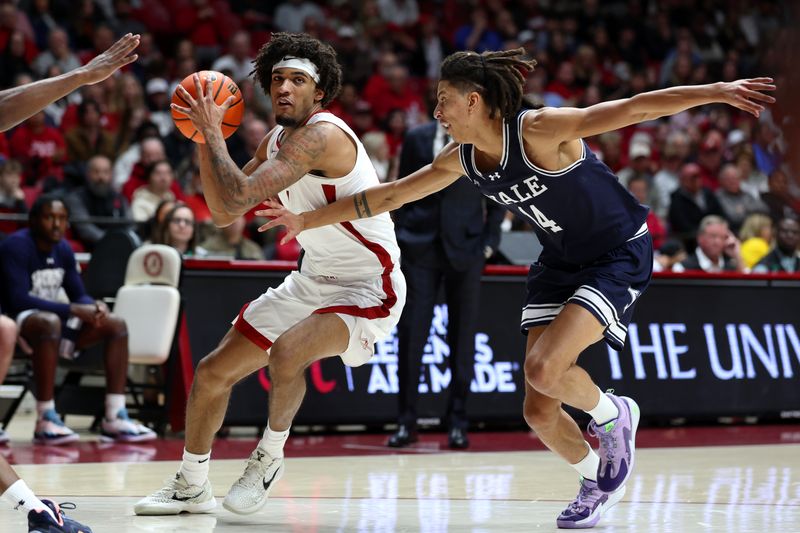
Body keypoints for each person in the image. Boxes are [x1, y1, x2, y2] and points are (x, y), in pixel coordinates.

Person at [256, 48, 775, 529]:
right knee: (537, 409)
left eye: (444, 101)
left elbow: (635, 108)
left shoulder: (540, 129)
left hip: (616, 252)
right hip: (560, 260)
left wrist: (718, 91)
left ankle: (614, 414)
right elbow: (388, 196)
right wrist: (308, 219)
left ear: (473, 100)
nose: (437, 111)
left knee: (546, 367)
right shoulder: (459, 157)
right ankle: (597, 478)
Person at [135, 33, 406, 517]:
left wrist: (215, 131)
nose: (284, 88)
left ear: (319, 94)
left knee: (287, 352)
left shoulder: (322, 135)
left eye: (297, 80)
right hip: (313, 277)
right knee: (212, 372)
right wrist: (203, 138)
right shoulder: (275, 140)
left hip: (370, 283)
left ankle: (268, 457)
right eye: (278, 79)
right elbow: (222, 211)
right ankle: (192, 484)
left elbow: (239, 197)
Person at [0, 31, 140, 533]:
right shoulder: (18, 246)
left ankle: (35, 511)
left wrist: (81, 77)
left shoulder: (59, 251)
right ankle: (36, 509)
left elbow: (5, 106)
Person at [0, 194, 156, 445]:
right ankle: (45, 417)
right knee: (49, 321)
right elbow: (18, 299)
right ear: (33, 220)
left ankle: (115, 415)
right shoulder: (16, 246)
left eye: (62, 219)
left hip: (54, 320)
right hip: (17, 321)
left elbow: (78, 294)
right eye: (49, 217)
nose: (56, 225)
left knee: (115, 323)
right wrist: (73, 309)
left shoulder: (63, 249)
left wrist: (93, 306)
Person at [387, 120, 503, 450]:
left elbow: (496, 193)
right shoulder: (415, 136)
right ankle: (405, 422)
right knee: (411, 336)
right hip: (419, 249)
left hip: (466, 251)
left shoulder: (482, 139)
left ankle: (457, 421)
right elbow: (403, 188)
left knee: (462, 337)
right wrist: (402, 236)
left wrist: (488, 244)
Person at [675, 215, 745, 273]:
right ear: (700, 238)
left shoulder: (732, 266)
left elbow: (747, 286)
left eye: (722, 237)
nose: (717, 242)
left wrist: (737, 256)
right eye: (713, 236)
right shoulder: (683, 268)